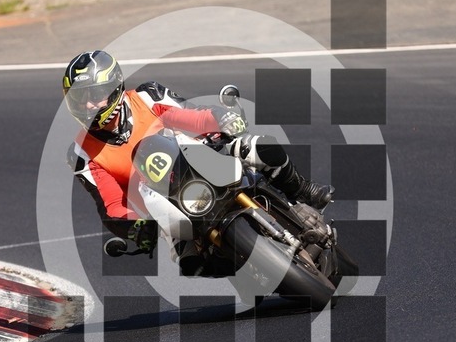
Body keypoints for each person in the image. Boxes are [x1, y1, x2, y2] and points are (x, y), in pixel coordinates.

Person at [63, 50, 333, 269]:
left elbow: (189, 115)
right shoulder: (82, 154)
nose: (87, 105)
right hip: (165, 204)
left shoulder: (146, 97)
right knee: (193, 264)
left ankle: (303, 190)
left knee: (260, 147)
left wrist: (221, 118)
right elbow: (111, 205)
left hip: (199, 156)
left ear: (114, 88)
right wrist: (135, 229)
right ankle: (249, 269)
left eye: (93, 95)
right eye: (79, 98)